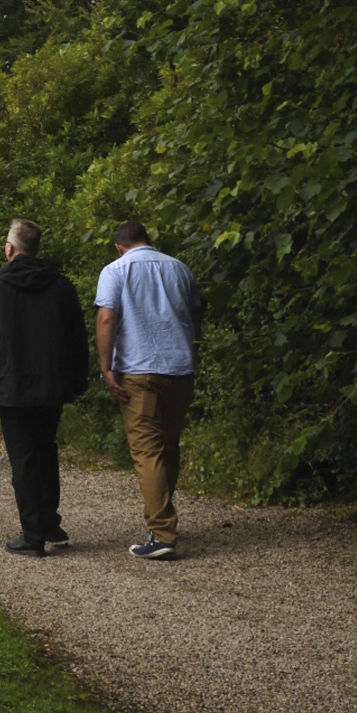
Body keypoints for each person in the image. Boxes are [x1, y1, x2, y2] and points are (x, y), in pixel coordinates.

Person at [0, 219, 93, 557]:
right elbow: (77, 338)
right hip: (51, 384)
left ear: (9, 249)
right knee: (45, 450)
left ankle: (33, 533)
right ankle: (48, 521)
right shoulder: (61, 286)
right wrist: (78, 383)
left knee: (24, 458)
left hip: (11, 385)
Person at [95, 220, 204, 560]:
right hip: (179, 369)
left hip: (137, 371)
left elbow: (106, 319)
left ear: (119, 245)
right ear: (149, 240)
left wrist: (106, 367)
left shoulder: (115, 270)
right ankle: (161, 524)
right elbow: (196, 314)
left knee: (147, 452)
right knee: (169, 448)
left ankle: (162, 533)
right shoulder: (180, 269)